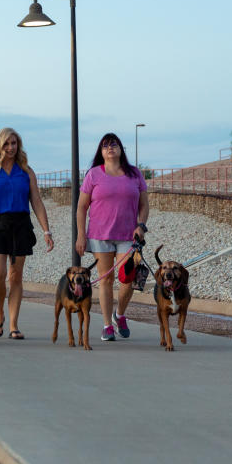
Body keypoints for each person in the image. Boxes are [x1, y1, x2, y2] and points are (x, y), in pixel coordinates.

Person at [0, 127, 55, 339]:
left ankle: (14, 325)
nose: (10, 148)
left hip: (20, 224)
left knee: (15, 276)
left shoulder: (26, 171)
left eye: (14, 143)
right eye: (6, 144)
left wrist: (46, 230)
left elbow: (36, 201)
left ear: (19, 146)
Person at [75, 132, 150, 342]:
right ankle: (107, 325)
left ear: (120, 149)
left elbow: (144, 205)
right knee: (105, 279)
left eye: (114, 144)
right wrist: (81, 235)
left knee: (128, 279)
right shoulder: (93, 175)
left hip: (129, 234)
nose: (110, 148)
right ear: (101, 151)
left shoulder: (134, 174)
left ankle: (120, 314)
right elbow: (81, 207)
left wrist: (141, 226)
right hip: (100, 234)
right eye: (106, 145)